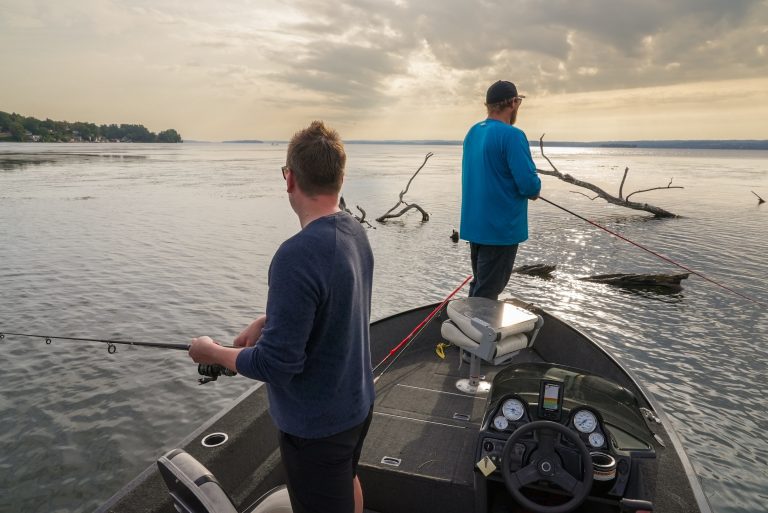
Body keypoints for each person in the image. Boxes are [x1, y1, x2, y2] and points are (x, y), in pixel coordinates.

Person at [188, 121, 375, 513]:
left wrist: (214, 352)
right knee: (346, 479)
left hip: (318, 426)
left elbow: (276, 364)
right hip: (356, 404)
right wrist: (268, 320)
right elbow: (334, 307)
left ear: (290, 179)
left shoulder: (296, 255)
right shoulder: (354, 232)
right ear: (341, 177)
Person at [460, 80, 542, 300]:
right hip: (500, 231)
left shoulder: (473, 132)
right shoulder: (513, 135)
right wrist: (535, 188)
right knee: (486, 294)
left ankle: (465, 329)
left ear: (488, 105)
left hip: (475, 226)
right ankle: (472, 333)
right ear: (514, 103)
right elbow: (529, 186)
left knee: (480, 285)